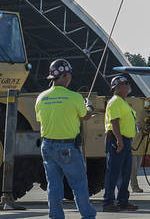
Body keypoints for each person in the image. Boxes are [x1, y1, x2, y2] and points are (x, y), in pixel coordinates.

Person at [35, 58, 97, 219]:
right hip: (67, 148)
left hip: (47, 146)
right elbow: (86, 116)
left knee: (54, 185)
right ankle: (88, 215)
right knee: (79, 184)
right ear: (65, 75)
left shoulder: (41, 98)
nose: (70, 77)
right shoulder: (74, 97)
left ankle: (56, 216)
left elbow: (41, 120)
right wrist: (89, 105)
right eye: (69, 73)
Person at [102, 75, 139, 212]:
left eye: (127, 83)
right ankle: (108, 202)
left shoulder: (122, 101)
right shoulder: (115, 102)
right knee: (114, 172)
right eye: (125, 83)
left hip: (125, 140)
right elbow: (114, 122)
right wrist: (119, 140)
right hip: (118, 140)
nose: (128, 85)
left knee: (125, 173)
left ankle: (123, 201)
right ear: (117, 87)